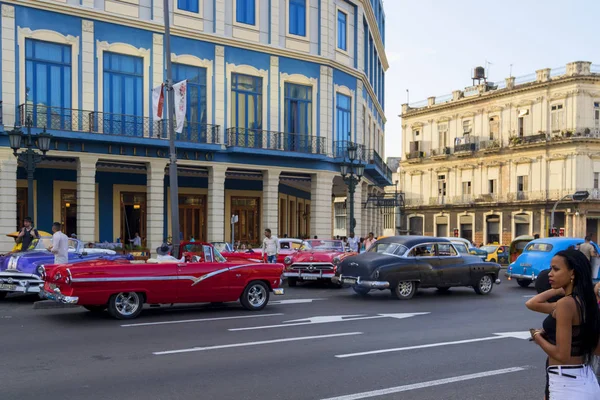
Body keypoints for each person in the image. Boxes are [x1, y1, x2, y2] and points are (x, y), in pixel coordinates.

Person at [526, 249, 600, 400]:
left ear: (572, 273)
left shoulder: (566, 304)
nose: (550, 274)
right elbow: (597, 349)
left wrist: (537, 336)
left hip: (567, 383)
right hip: (586, 380)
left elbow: (562, 355)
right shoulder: (586, 303)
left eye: (556, 269)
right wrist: (559, 290)